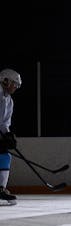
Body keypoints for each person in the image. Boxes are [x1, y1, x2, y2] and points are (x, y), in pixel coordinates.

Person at [0, 68, 22, 205]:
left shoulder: (9, 101)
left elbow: (4, 123)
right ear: (5, 80)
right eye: (15, 83)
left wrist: (8, 135)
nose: (16, 87)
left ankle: (1, 188)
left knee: (4, 155)